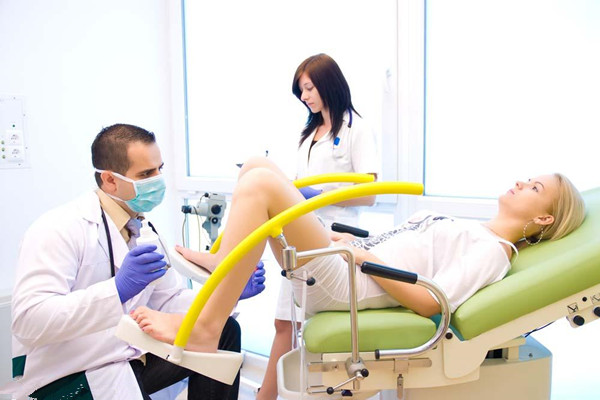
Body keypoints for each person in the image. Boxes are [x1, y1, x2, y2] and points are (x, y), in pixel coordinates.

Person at [127, 157, 586, 392]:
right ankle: (226, 256)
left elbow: (433, 302)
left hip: (349, 281)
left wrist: (362, 259)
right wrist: (350, 242)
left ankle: (207, 327)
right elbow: (407, 248)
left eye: (534, 187)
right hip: (347, 261)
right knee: (256, 166)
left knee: (262, 185)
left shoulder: (494, 251)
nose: (521, 182)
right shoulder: (475, 230)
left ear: (544, 219)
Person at [4, 124, 265, 400]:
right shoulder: (59, 228)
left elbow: (169, 300)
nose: (158, 180)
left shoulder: (142, 229)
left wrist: (226, 293)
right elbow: (28, 321)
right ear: (110, 180)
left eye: (159, 169)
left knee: (224, 330)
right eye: (146, 174)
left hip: (128, 356)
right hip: (73, 371)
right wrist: (116, 290)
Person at [258, 53, 382, 399]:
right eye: (301, 90)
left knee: (296, 324)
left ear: (328, 84)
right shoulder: (310, 133)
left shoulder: (357, 129)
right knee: (285, 322)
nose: (304, 96)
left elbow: (370, 193)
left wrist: (321, 194)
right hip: (305, 229)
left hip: (335, 234)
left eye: (309, 88)